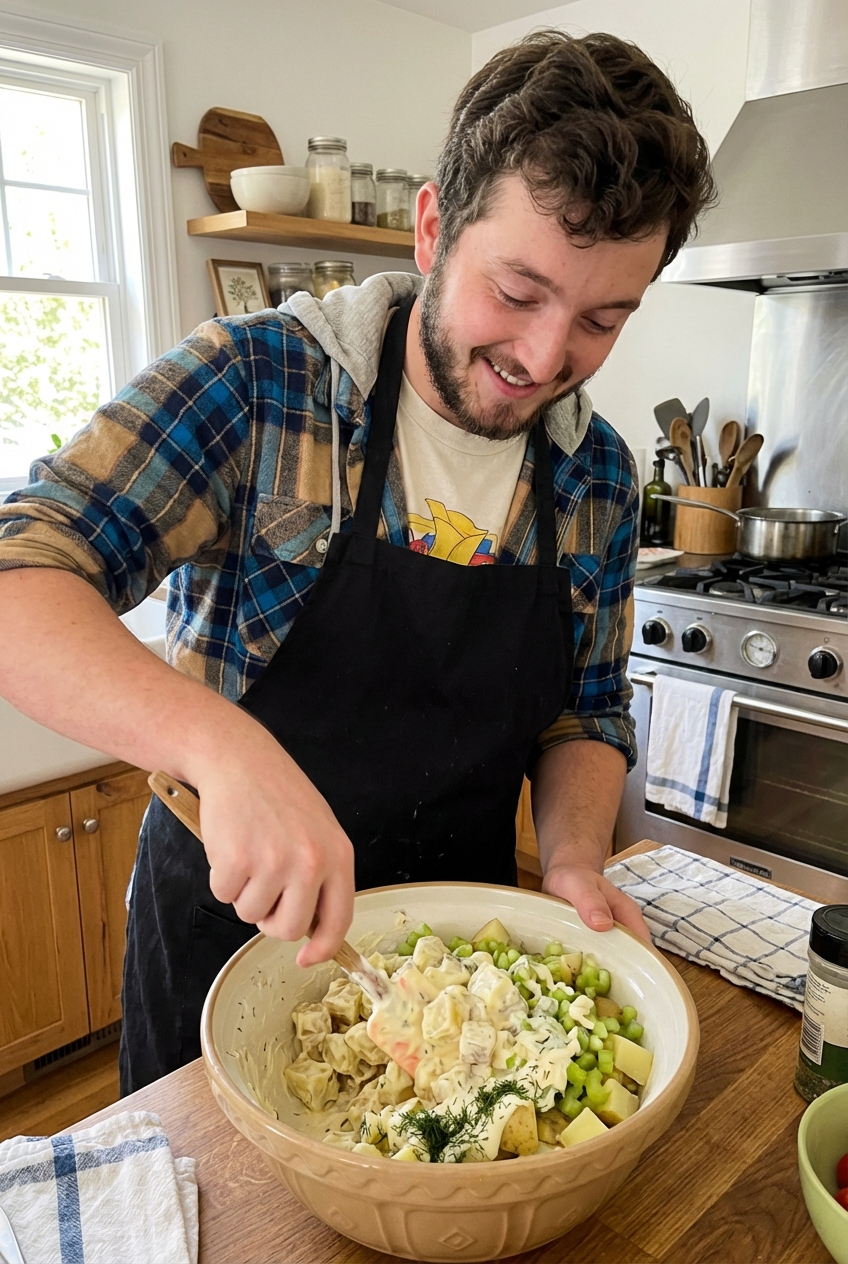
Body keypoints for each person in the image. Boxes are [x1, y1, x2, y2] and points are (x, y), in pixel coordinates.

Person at [0, 30, 714, 1093]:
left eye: (601, 319)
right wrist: (225, 750)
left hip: (456, 971)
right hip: (228, 945)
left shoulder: (595, 478)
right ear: (431, 230)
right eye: (515, 293)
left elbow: (587, 709)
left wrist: (569, 858)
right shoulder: (257, 383)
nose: (542, 359)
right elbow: (22, 575)